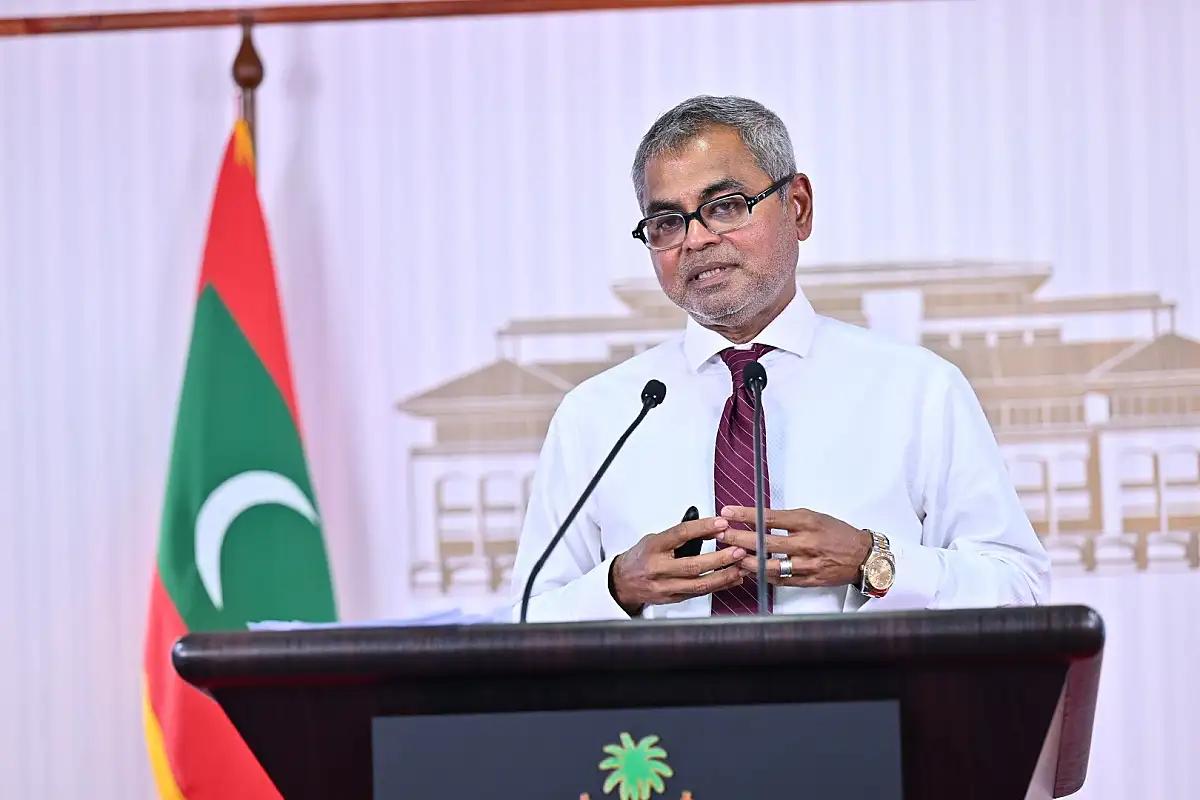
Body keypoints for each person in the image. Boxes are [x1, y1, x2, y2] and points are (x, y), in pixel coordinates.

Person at [509, 95, 1049, 622]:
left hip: (861, 686)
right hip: (663, 688)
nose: (695, 239)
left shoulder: (918, 388)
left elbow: (1018, 587)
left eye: (724, 206)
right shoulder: (598, 414)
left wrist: (872, 562)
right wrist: (618, 588)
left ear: (798, 207)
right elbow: (527, 618)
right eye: (668, 221)